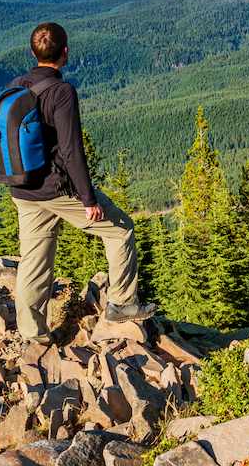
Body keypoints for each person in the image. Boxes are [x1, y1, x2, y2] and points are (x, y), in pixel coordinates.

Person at [9, 22, 155, 344]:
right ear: (65, 53)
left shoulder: (16, 85)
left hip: (23, 189)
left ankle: (33, 335)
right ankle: (122, 303)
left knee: (34, 259)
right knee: (120, 230)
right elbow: (72, 151)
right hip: (56, 189)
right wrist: (88, 200)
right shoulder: (62, 92)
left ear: (32, 53)